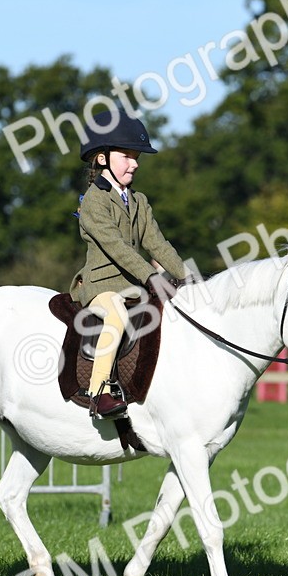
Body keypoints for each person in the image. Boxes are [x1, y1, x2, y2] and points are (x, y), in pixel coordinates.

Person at [68, 110, 189, 418]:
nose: (135, 163)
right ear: (102, 159)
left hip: (133, 285)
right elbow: (117, 247)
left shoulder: (139, 202)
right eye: (127, 156)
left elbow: (157, 244)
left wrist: (186, 276)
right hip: (101, 285)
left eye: (137, 157)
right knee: (118, 316)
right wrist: (152, 277)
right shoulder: (93, 202)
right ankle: (98, 393)